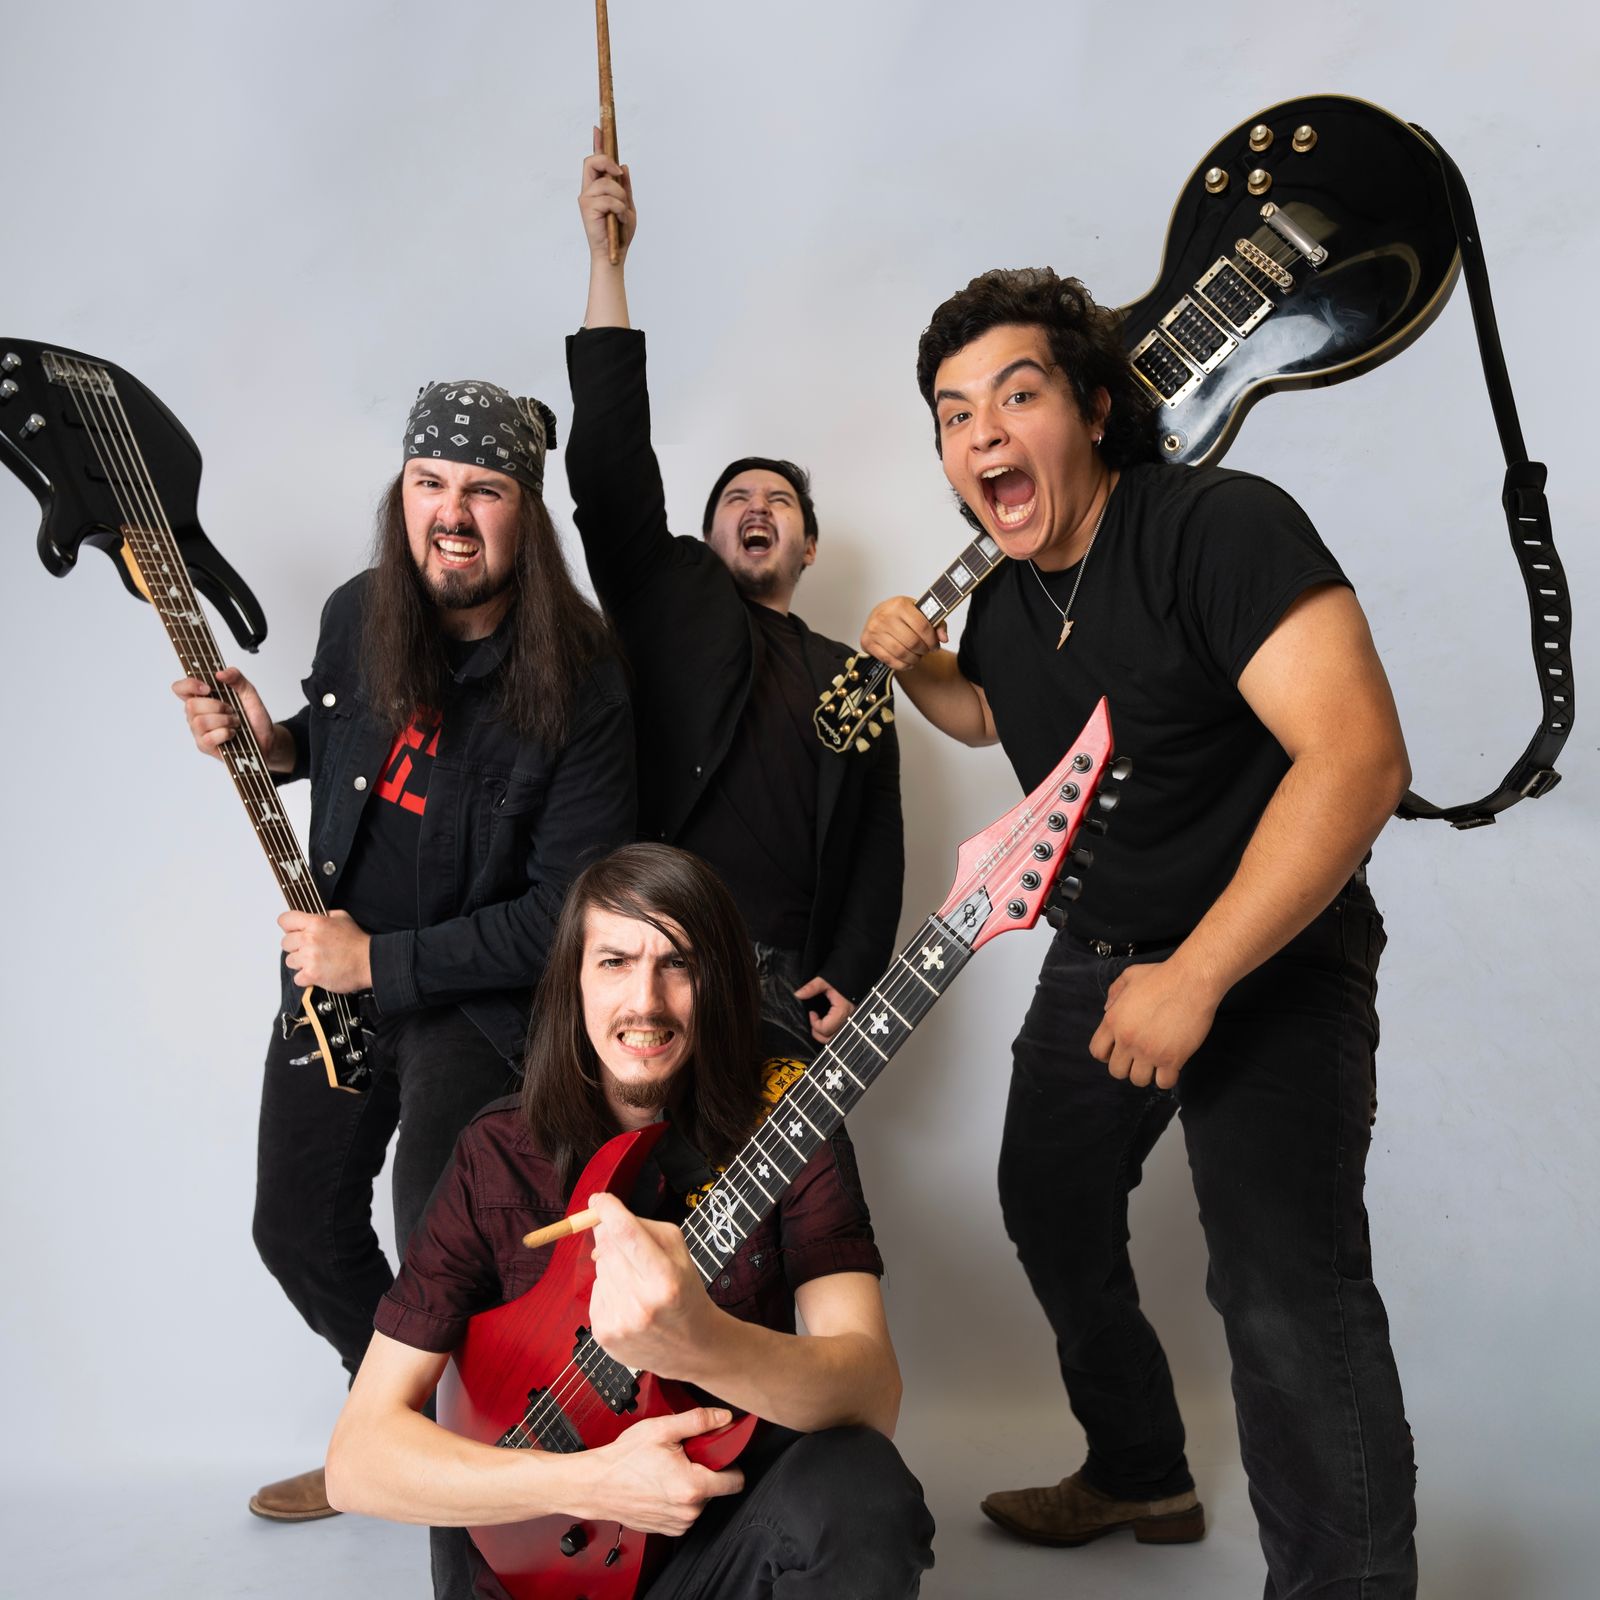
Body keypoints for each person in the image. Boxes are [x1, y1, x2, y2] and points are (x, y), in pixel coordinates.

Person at [859, 268, 1418, 1597]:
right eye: (953, 415)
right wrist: (926, 670)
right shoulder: (1006, 597)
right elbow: (997, 715)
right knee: (1049, 1195)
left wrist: (1200, 974)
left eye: (1017, 395)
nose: (982, 433)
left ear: (1096, 409)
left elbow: (1357, 758)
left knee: (1282, 1291)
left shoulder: (1216, 528)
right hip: (1104, 952)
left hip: (1269, 954)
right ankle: (1140, 1469)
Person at [173, 382, 635, 1521]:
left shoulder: (583, 674)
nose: (452, 513)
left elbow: (566, 913)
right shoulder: (358, 611)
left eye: (484, 489)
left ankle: (485, 1470)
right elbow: (349, 744)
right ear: (403, 493)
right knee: (295, 1226)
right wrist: (274, 742)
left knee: (440, 1242)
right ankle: (391, 1429)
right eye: (430, 482)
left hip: (475, 1000)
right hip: (334, 972)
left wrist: (375, 963)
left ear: (527, 513)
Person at [325, 842, 934, 1600]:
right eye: (614, 962)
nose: (645, 1002)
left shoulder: (792, 1123)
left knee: (867, 1490)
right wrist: (595, 1482)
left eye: (678, 964)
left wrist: (701, 1341)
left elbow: (872, 1397)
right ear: (573, 983)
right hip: (540, 1562)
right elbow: (358, 1461)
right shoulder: (496, 1153)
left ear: (719, 982)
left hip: (717, 1538)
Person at [566, 138, 903, 1059]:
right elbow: (610, 463)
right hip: (654, 955)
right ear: (706, 538)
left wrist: (854, 969)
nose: (757, 507)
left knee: (798, 1164)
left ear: (809, 545)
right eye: (736, 499)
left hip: (789, 987)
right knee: (640, 1155)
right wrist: (607, 266)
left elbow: (876, 837)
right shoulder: (667, 595)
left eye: (780, 501)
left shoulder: (855, 676)